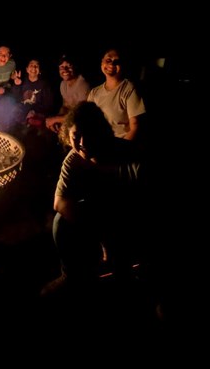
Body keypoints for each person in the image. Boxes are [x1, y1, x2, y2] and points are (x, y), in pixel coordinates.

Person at [40, 102, 139, 299]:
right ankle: (72, 276)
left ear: (101, 133)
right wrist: (102, 236)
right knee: (60, 222)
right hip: (101, 215)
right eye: (76, 136)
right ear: (68, 135)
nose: (83, 142)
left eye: (90, 134)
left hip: (132, 212)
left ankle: (129, 279)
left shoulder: (128, 155)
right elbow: (60, 202)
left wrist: (114, 235)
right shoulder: (73, 160)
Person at [87, 47, 146, 176]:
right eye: (108, 60)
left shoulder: (128, 89)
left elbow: (135, 127)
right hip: (99, 148)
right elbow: (86, 121)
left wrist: (118, 153)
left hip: (121, 148)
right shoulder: (94, 92)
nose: (112, 64)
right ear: (102, 63)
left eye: (117, 62)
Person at [45, 54, 91, 134]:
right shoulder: (63, 84)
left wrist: (55, 119)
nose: (65, 70)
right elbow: (65, 106)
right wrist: (57, 121)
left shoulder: (83, 85)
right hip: (69, 121)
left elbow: (81, 116)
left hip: (82, 125)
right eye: (61, 67)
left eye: (69, 66)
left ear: (75, 67)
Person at [11, 58, 55, 132]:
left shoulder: (44, 85)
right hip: (22, 111)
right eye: (31, 65)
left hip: (37, 113)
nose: (34, 68)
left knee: (33, 125)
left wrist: (34, 111)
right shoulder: (21, 80)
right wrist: (17, 85)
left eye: (36, 66)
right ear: (27, 69)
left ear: (40, 71)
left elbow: (48, 104)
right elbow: (16, 98)